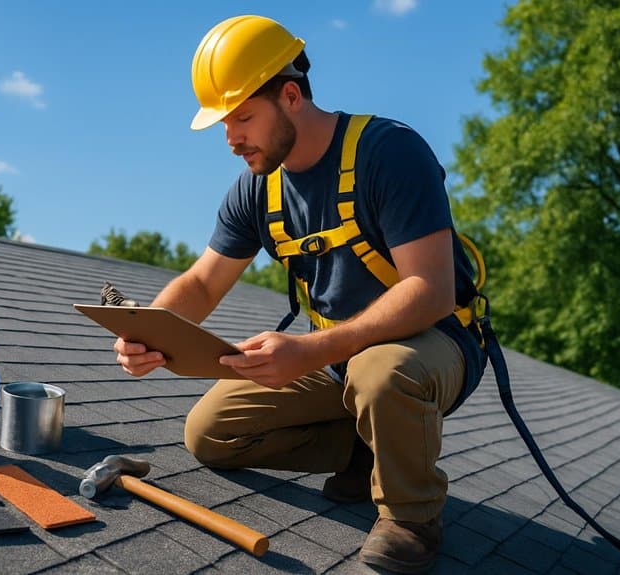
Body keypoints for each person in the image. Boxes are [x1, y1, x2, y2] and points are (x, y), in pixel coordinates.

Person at [114, 15, 486, 574]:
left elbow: (430, 291)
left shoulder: (389, 153)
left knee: (381, 374)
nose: (232, 139)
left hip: (432, 343)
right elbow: (202, 282)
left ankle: (411, 516)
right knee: (210, 435)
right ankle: (372, 448)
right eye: (224, 122)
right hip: (337, 356)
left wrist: (310, 352)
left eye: (242, 117)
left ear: (291, 95)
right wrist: (147, 331)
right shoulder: (256, 189)